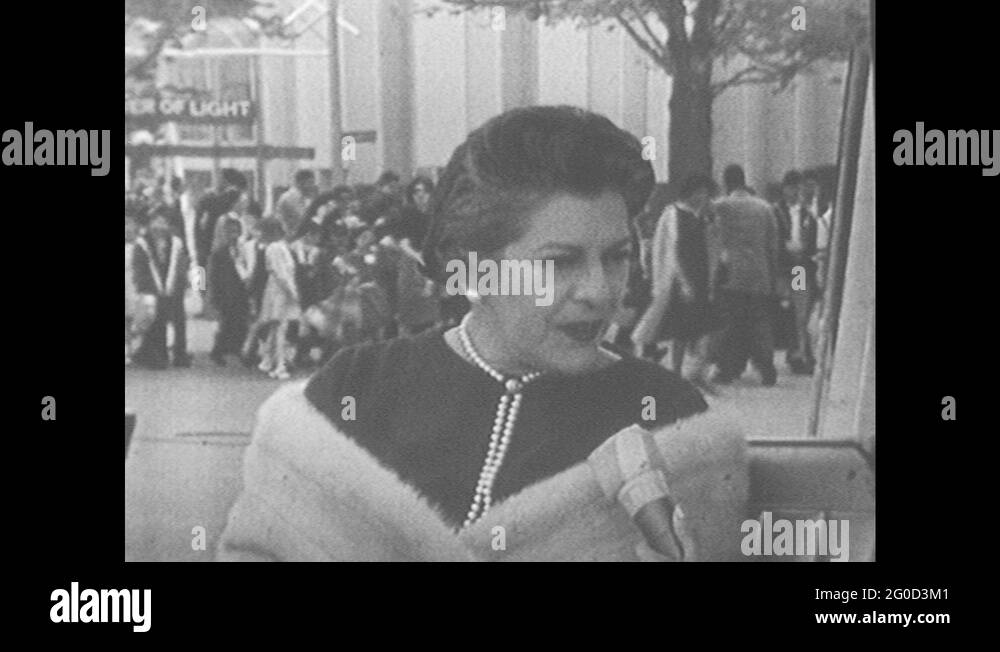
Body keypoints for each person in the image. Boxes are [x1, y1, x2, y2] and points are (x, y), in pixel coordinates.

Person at [218, 106, 709, 561]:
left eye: (617, 256)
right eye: (560, 262)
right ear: (475, 268)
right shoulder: (357, 386)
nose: (600, 292)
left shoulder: (670, 414)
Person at [633, 173, 719, 391]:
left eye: (706, 194)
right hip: (681, 277)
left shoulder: (700, 216)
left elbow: (709, 246)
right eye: (700, 193)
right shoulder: (673, 214)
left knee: (702, 327)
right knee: (681, 329)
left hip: (699, 275)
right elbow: (673, 249)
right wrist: (682, 281)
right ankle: (677, 372)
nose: (703, 197)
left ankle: (696, 372)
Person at [708, 164, 781, 386]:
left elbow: (709, 237)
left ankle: (728, 368)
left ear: (726, 183)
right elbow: (773, 246)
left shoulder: (720, 207)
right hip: (760, 273)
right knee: (759, 321)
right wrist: (774, 276)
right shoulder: (765, 208)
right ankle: (767, 368)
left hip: (731, 274)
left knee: (730, 323)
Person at [131, 213, 192, 369]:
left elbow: (184, 265)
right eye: (156, 222)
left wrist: (187, 286)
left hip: (174, 289)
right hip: (151, 289)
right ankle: (156, 354)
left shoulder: (177, 243)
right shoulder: (142, 244)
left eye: (163, 222)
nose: (160, 226)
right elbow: (139, 269)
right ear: (150, 224)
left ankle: (180, 354)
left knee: (179, 321)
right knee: (156, 322)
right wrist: (148, 289)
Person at [774, 170, 818, 374]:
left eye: (797, 188)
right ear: (784, 189)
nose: (795, 192)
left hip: (799, 268)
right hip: (782, 268)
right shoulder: (775, 212)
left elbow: (812, 243)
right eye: (791, 188)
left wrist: (803, 250)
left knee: (800, 311)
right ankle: (791, 349)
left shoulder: (807, 215)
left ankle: (799, 353)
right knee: (783, 308)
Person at [257, 218, 300, 380]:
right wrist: (293, 292)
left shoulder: (277, 247)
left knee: (276, 328)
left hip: (278, 289)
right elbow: (281, 273)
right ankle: (279, 365)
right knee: (280, 327)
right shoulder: (276, 248)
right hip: (280, 291)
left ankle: (268, 360)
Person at [208, 217, 251, 367]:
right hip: (226, 294)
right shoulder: (219, 253)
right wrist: (214, 296)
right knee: (226, 324)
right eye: (230, 231)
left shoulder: (244, 250)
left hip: (241, 293)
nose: (233, 235)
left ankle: (237, 348)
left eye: (236, 231)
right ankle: (217, 351)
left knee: (241, 323)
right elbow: (213, 276)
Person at [195, 169, 247, 272]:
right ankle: (201, 287)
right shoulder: (223, 198)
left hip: (207, 241)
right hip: (211, 242)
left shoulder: (210, 199)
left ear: (227, 182)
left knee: (202, 267)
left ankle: (200, 287)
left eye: (220, 179)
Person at [275, 169, 318, 242]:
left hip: (295, 238)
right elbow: (302, 217)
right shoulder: (291, 197)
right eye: (310, 182)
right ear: (300, 182)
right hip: (290, 239)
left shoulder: (302, 197)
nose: (312, 186)